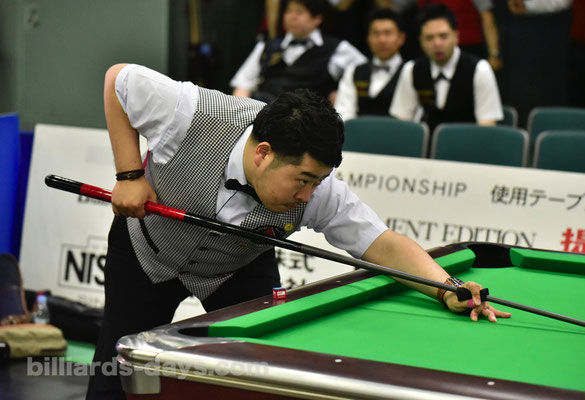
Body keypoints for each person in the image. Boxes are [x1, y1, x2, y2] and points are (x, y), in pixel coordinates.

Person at [87, 62, 510, 399]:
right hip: (147, 249)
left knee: (261, 377)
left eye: (318, 181)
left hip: (238, 267)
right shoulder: (191, 113)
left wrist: (447, 287)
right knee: (113, 373)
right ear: (263, 154)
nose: (308, 195)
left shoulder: (318, 191)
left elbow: (381, 242)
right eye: (303, 180)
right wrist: (129, 174)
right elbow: (117, 80)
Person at [390, 4, 503, 133]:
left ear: (456, 36)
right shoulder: (412, 70)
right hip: (427, 144)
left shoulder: (479, 69)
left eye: (443, 36)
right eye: (429, 38)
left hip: (468, 141)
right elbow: (402, 121)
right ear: (420, 41)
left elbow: (487, 125)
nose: (437, 43)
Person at [230, 0, 367, 103]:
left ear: (317, 19)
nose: (292, 17)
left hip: (307, 121)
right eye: (288, 11)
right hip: (264, 114)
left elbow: (365, 70)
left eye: (299, 12)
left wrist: (343, 93)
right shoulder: (267, 45)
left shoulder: (336, 48)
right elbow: (242, 84)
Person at [335, 8, 407, 121]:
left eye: (388, 33)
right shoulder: (354, 71)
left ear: (401, 38)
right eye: (376, 33)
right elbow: (343, 114)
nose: (381, 39)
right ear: (368, 38)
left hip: (398, 131)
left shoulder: (411, 71)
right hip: (358, 131)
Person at [419, 0, 503, 71]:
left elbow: (487, 17)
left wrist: (494, 54)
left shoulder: (480, 67)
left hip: (471, 47)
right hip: (433, 49)